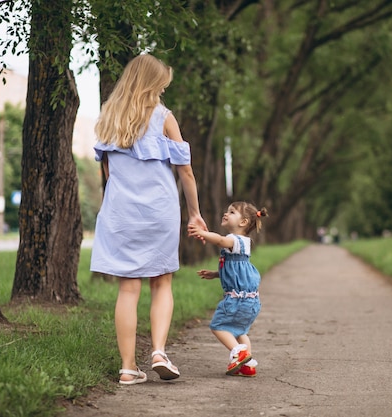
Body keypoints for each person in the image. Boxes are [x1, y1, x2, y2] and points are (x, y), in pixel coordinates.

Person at [90, 54, 207, 385]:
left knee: (128, 287)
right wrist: (195, 213)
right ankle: (158, 351)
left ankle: (128, 368)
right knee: (162, 280)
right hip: (159, 209)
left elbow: (109, 172)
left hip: (121, 212)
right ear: (153, 84)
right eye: (161, 85)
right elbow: (185, 171)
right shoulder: (164, 117)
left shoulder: (108, 118)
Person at [188, 202, 268, 377]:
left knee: (218, 326)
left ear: (243, 222)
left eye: (231, 212)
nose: (226, 214)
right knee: (241, 332)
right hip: (251, 300)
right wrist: (217, 274)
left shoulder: (234, 240)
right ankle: (247, 366)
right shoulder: (244, 244)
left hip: (236, 300)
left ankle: (239, 353)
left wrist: (202, 233)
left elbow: (220, 240)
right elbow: (236, 271)